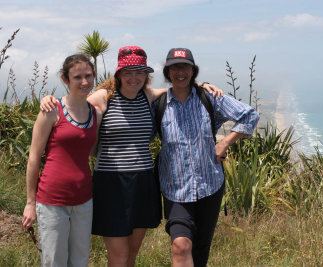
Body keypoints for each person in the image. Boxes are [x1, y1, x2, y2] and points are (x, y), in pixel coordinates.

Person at [39, 46, 222, 266]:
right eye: (128, 72)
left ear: (146, 75)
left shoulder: (148, 96)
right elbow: (74, 101)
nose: (134, 77)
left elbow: (178, 88)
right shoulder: (103, 98)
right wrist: (49, 99)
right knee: (119, 255)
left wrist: (200, 85)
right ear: (118, 74)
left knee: (133, 254)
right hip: (111, 183)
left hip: (144, 183)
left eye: (139, 72)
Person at [157, 48, 260, 267]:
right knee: (181, 245)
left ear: (193, 70)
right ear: (167, 72)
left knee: (201, 248)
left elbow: (249, 115)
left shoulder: (209, 98)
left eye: (185, 66)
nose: (180, 72)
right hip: (176, 189)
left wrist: (224, 142)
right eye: (174, 67)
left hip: (209, 185)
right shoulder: (158, 104)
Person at [22, 54, 102, 267]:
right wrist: (30, 203)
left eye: (88, 76)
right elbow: (33, 157)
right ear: (65, 80)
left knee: (79, 261)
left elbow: (93, 151)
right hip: (52, 201)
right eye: (77, 77)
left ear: (94, 76)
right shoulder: (51, 111)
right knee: (54, 262)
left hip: (84, 199)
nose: (84, 82)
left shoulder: (95, 114)